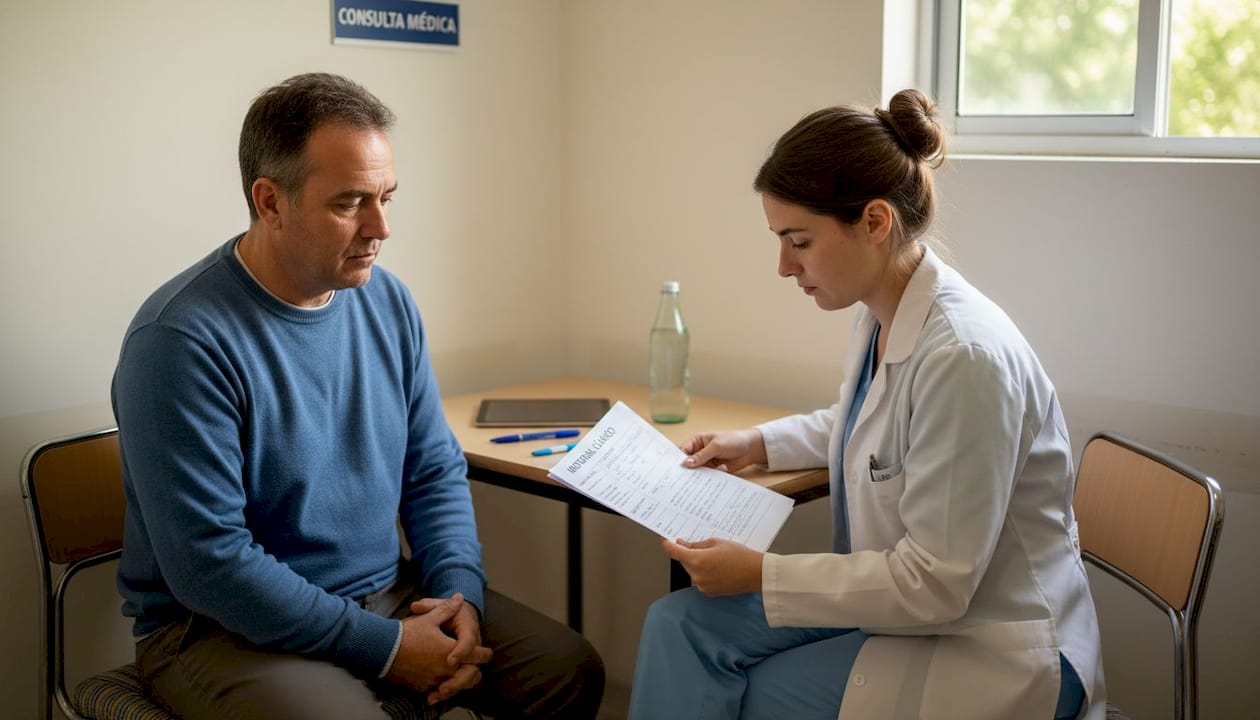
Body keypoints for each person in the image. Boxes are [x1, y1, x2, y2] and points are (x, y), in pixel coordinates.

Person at [111, 72, 604, 720]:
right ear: (270, 201)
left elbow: (433, 471)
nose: (381, 228)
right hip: (216, 631)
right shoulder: (177, 341)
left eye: (387, 198)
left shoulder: (387, 302)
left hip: (385, 593)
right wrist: (388, 648)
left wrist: (460, 598)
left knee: (567, 670)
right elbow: (211, 565)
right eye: (350, 203)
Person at [628, 89, 1105, 720]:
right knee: (679, 624)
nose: (782, 266)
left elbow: (935, 583)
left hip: (988, 644)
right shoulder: (885, 312)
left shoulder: (964, 358)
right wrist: (757, 443)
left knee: (752, 695)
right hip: (909, 607)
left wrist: (760, 575)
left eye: (798, 241)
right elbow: (867, 427)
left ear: (875, 222)